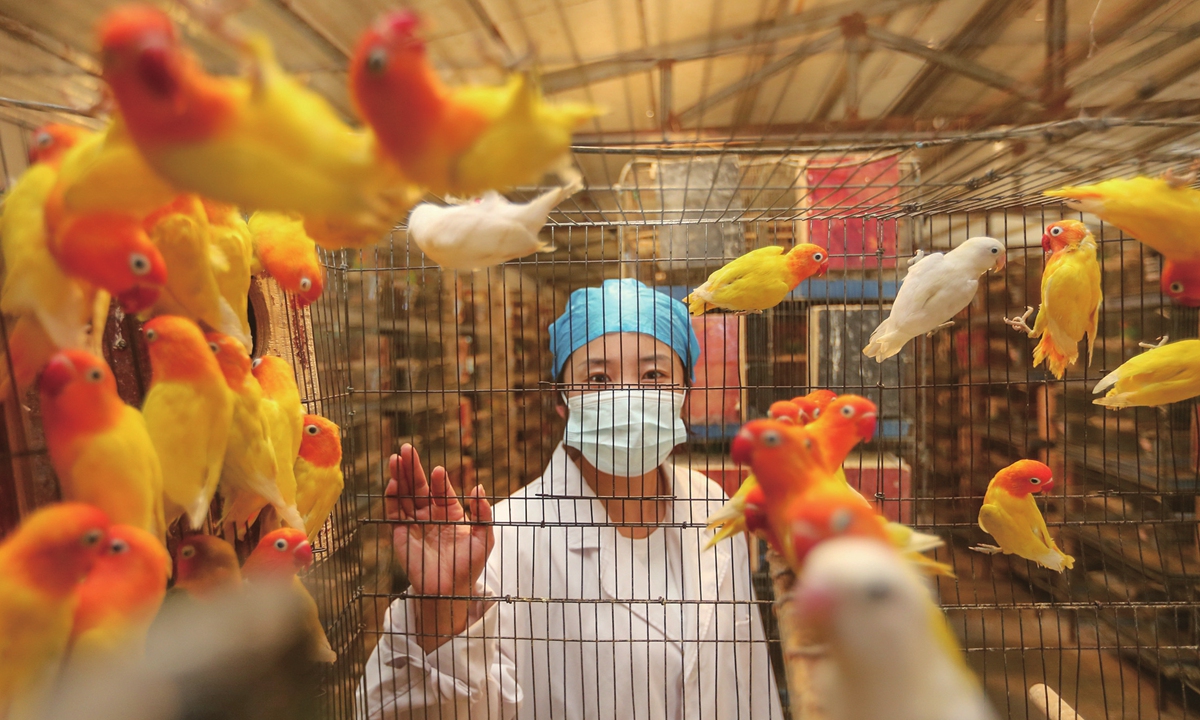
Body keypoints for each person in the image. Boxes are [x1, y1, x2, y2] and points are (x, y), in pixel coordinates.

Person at [358, 279, 783, 720]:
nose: (627, 396)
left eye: (653, 374)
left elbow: (748, 673)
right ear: (562, 401)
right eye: (598, 378)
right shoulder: (506, 541)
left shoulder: (713, 504)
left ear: (685, 391)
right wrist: (439, 613)